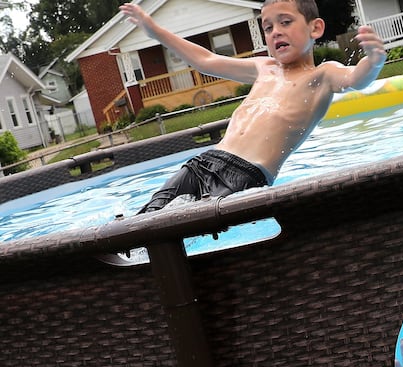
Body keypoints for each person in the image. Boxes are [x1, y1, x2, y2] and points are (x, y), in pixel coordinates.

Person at [119, 1, 386, 213]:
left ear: (315, 28)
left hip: (246, 176)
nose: (276, 31)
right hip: (203, 163)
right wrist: (155, 31)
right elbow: (206, 60)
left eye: (286, 22)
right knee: (144, 225)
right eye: (268, 28)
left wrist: (373, 61)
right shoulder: (264, 67)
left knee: (191, 228)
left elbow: (355, 79)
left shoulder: (322, 75)